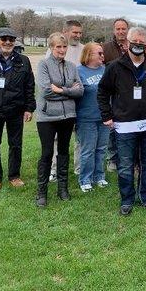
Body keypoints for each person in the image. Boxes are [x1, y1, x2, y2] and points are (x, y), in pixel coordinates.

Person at [98, 27, 146, 216]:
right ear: (127, 43)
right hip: (125, 125)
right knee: (125, 165)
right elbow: (103, 92)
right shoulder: (114, 67)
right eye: (134, 42)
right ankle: (127, 199)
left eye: (141, 43)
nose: (137, 46)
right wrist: (106, 115)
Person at [0, 28, 35, 191]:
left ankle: (14, 176)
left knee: (15, 144)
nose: (8, 42)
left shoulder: (23, 60)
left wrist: (29, 107)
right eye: (4, 38)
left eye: (11, 39)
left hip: (15, 109)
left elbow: (29, 85)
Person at [35, 33, 84, 207]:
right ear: (51, 47)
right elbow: (45, 91)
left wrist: (61, 91)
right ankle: (42, 191)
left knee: (63, 151)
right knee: (47, 153)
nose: (62, 50)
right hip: (47, 117)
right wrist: (69, 91)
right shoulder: (43, 65)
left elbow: (80, 91)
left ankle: (63, 188)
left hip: (68, 116)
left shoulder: (72, 66)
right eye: (58, 47)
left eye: (64, 47)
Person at [46, 20, 84, 180]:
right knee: (57, 138)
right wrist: (70, 88)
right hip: (59, 104)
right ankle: (54, 170)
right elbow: (51, 83)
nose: (78, 35)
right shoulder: (54, 51)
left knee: (80, 136)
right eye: (75, 32)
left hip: (81, 101)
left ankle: (79, 168)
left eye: (80, 32)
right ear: (65, 31)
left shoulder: (83, 49)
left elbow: (81, 83)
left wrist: (67, 87)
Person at [76, 43, 109, 193]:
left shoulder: (106, 71)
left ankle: (99, 176)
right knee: (88, 150)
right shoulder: (78, 71)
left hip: (104, 117)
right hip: (86, 117)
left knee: (101, 149)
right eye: (99, 53)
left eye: (103, 53)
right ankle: (85, 179)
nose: (103, 56)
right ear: (89, 54)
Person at [102, 18, 130, 172]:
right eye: (118, 29)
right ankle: (112, 159)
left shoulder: (133, 46)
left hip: (130, 94)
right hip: (113, 94)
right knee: (112, 127)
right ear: (114, 31)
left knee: (128, 127)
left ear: (127, 30)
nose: (121, 32)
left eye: (123, 29)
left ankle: (126, 158)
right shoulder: (106, 48)